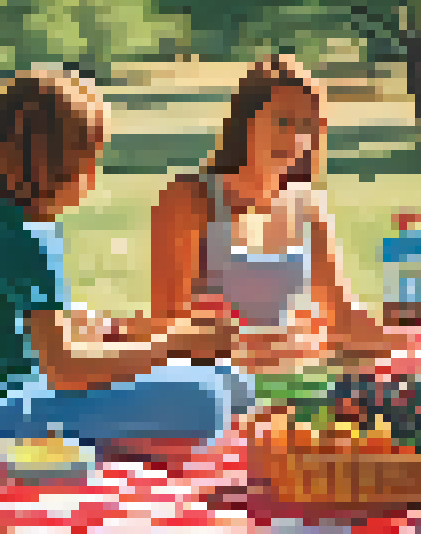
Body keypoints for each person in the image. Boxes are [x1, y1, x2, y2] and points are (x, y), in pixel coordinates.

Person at [0, 68, 255, 466]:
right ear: (57, 162)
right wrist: (174, 347)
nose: (94, 174)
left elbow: (53, 331)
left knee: (233, 384)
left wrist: (156, 333)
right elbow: (67, 370)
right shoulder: (19, 235)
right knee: (204, 399)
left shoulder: (8, 222)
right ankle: (104, 446)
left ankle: (113, 438)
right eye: (93, 158)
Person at [144, 54, 400, 376]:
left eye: (305, 126)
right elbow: (166, 326)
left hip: (294, 379)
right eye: (282, 122)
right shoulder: (188, 200)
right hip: (209, 384)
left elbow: (342, 316)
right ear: (246, 121)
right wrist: (255, 349)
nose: (295, 139)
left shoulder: (307, 206)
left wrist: (406, 344)